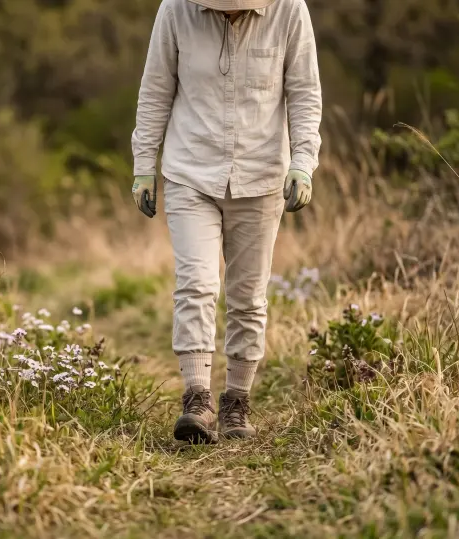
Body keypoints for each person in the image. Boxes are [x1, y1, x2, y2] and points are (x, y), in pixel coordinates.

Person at [130, 0, 322, 443]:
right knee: (197, 282)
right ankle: (196, 397)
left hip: (262, 175)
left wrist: (303, 162)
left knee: (248, 295)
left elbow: (305, 92)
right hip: (189, 171)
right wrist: (144, 164)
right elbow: (156, 88)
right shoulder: (175, 9)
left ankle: (236, 401)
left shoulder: (290, 10)